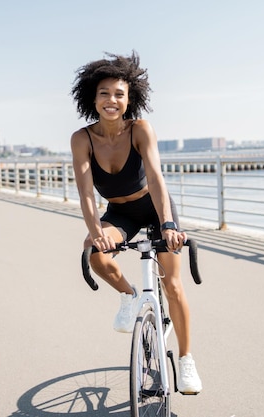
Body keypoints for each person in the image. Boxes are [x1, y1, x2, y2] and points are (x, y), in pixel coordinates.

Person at [70, 51, 202, 394]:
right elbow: (86, 193)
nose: (111, 100)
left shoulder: (140, 129)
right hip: (120, 212)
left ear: (130, 99)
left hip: (155, 208)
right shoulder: (81, 139)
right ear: (92, 98)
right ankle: (130, 296)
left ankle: (186, 361)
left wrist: (169, 223)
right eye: (104, 93)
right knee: (95, 254)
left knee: (172, 286)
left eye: (119, 94)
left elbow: (156, 178)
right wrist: (96, 233)